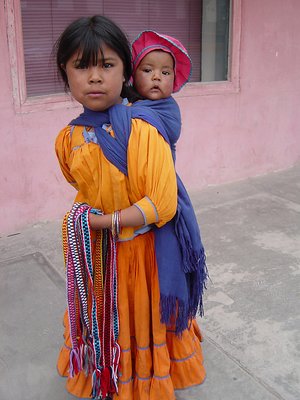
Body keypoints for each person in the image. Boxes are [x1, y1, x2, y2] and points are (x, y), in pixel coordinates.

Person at [55, 16, 206, 400]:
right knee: (106, 317)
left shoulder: (142, 130)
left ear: (125, 72)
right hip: (98, 255)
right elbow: (80, 183)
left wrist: (107, 220)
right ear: (65, 74)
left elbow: (162, 203)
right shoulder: (69, 137)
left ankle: (141, 380)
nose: (94, 77)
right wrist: (90, 218)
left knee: (139, 316)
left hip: (141, 256)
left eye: (106, 65)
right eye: (81, 65)